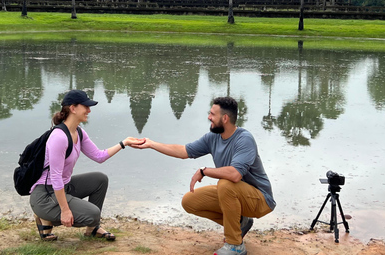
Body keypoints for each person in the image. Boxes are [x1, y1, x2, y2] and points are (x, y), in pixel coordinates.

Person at [134, 96, 274, 255]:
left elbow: (234, 175)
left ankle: (235, 245)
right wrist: (152, 144)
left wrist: (204, 171)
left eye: (212, 114)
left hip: (260, 200)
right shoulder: (213, 137)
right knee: (190, 201)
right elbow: (183, 151)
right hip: (236, 195)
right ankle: (241, 222)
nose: (209, 117)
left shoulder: (244, 139)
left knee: (225, 183)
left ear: (225, 118)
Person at [29, 89, 141, 241]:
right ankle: (45, 217)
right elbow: (55, 177)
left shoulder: (79, 132)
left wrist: (124, 143)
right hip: (45, 195)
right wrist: (65, 210)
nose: (89, 110)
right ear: (73, 108)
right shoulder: (59, 137)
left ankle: (92, 229)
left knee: (100, 179)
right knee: (93, 214)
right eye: (86, 106)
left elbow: (99, 156)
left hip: (64, 186)